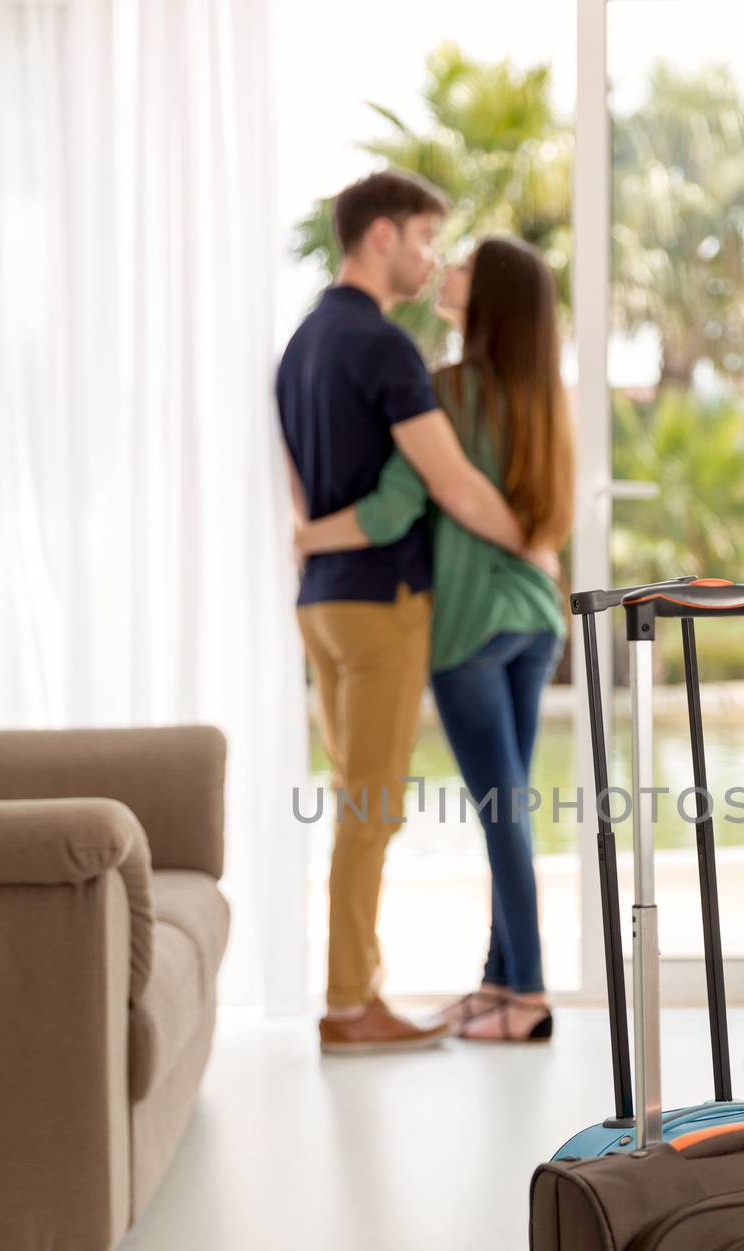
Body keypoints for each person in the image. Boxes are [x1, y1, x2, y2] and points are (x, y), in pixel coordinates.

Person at [277, 172, 539, 1055]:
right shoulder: (383, 349)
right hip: (381, 602)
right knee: (371, 807)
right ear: (381, 235)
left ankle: (362, 986)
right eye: (426, 238)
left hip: (320, 605)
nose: (431, 260)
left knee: (360, 801)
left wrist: (310, 542)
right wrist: (532, 539)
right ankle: (352, 1005)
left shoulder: (300, 345)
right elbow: (452, 482)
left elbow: (298, 487)